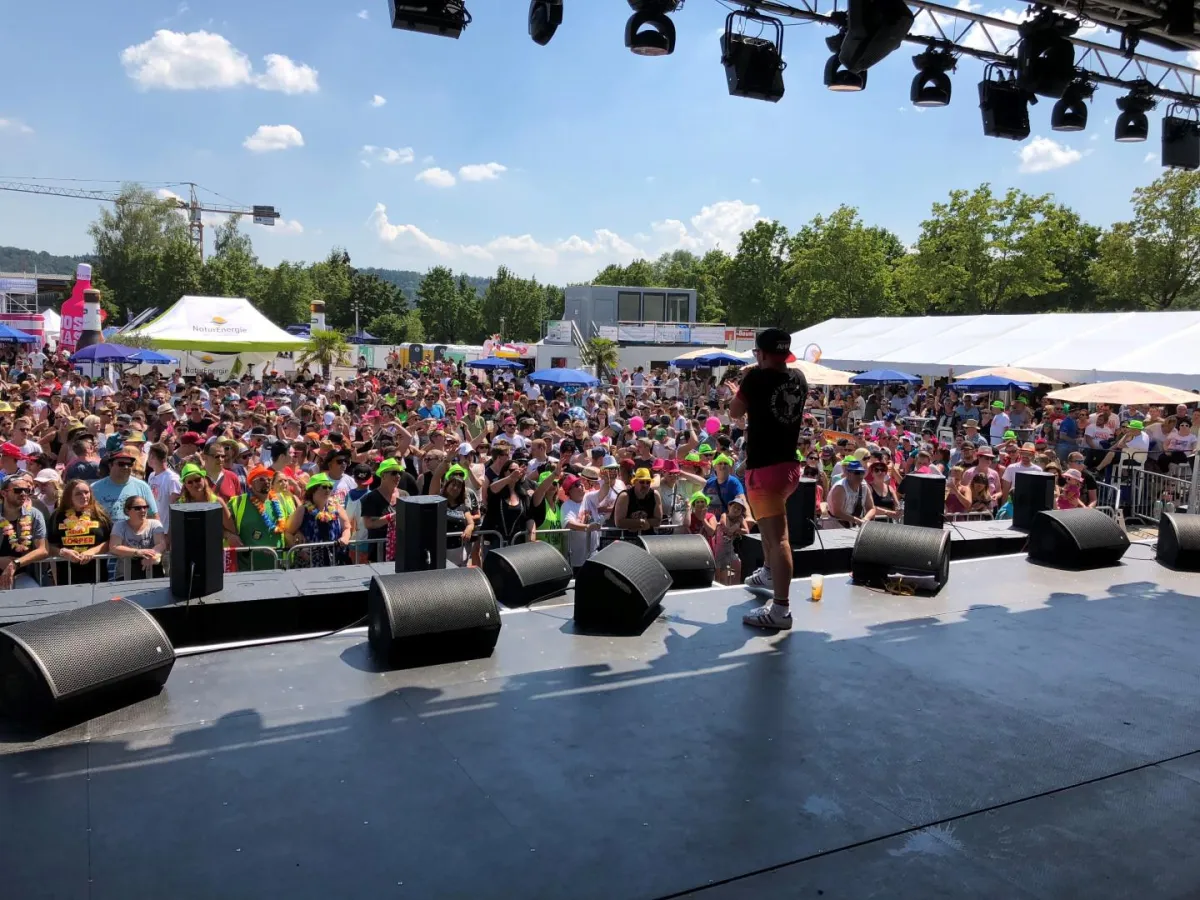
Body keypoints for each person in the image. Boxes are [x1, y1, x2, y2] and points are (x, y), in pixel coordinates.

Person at [731, 328, 808, 629]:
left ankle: (781, 610)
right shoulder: (799, 378)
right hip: (789, 468)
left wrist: (746, 379)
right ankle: (767, 571)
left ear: (761, 354)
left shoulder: (754, 380)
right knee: (767, 529)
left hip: (766, 471)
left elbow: (735, 412)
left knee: (779, 540)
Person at [227, 465, 295, 571]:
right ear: (251, 484)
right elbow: (219, 525)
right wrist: (229, 535)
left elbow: (294, 524)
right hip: (249, 568)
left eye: (269, 479)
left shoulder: (282, 500)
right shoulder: (237, 502)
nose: (267, 482)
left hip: (278, 566)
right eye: (262, 479)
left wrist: (298, 534)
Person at [47, 478, 112, 585]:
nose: (84, 496)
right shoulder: (57, 516)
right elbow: (48, 545)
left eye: (86, 492)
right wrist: (62, 552)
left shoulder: (100, 514)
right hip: (67, 575)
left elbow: (110, 541)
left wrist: (93, 552)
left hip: (96, 574)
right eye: (78, 494)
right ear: (69, 496)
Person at [286, 472, 351, 567]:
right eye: (324, 487)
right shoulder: (303, 509)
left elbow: (347, 527)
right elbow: (288, 533)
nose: (328, 490)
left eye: (330, 487)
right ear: (313, 490)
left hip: (333, 556)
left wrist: (345, 538)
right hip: (310, 559)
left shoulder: (336, 507)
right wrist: (299, 551)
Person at [0, 472, 49, 590]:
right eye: (17, 490)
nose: (23, 494)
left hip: (23, 574)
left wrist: (15, 564)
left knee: (35, 599)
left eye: (26, 490)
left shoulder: (34, 515)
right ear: (3, 493)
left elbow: (43, 549)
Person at [109, 494, 167, 580]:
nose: (143, 510)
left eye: (145, 507)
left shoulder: (155, 524)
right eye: (138, 508)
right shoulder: (119, 526)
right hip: (126, 574)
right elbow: (114, 547)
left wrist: (151, 556)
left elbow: (161, 544)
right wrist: (138, 552)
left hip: (152, 571)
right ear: (127, 510)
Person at [612, 467, 663, 539]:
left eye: (648, 482)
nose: (645, 485)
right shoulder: (625, 496)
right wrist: (640, 523)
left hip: (647, 538)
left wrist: (638, 525)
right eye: (642, 482)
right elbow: (619, 522)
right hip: (624, 539)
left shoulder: (655, 495)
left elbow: (658, 520)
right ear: (635, 482)